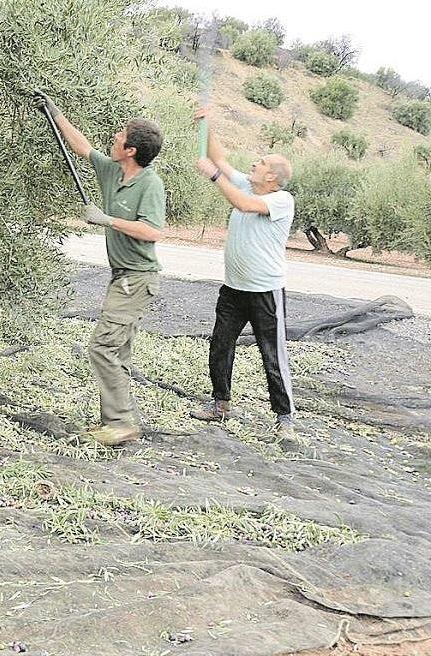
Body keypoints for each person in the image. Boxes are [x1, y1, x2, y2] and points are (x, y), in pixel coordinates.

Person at [33, 94, 167, 447]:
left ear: (131, 151)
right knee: (117, 351)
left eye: (120, 136)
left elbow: (153, 231)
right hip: (121, 276)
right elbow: (81, 147)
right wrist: (55, 113)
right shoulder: (113, 169)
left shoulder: (149, 184)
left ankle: (121, 423)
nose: (114, 137)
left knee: (102, 348)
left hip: (137, 278)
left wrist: (108, 220)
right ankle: (117, 419)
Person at [190, 107, 298, 443]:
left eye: (262, 162)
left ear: (272, 177)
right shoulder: (245, 184)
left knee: (272, 354)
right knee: (220, 344)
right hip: (233, 289)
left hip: (265, 292)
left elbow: (243, 205)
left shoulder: (282, 200)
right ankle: (221, 403)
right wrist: (207, 126)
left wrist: (213, 177)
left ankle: (284, 419)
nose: (255, 163)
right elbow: (219, 159)